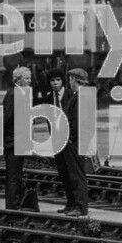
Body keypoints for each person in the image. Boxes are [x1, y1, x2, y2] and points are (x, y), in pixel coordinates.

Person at [57, 67, 91, 216]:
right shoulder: (80, 95)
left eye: (69, 79)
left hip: (75, 142)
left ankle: (81, 207)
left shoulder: (81, 96)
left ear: (74, 80)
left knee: (77, 175)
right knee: (71, 174)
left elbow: (78, 121)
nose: (68, 82)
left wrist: (71, 138)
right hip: (74, 141)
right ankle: (72, 204)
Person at [43, 68, 74, 213]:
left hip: (70, 140)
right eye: (52, 81)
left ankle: (75, 203)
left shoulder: (70, 95)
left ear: (63, 81)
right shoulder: (50, 97)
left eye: (58, 80)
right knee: (62, 172)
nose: (55, 83)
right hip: (57, 141)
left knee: (72, 172)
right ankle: (69, 203)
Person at [2, 65, 32, 210]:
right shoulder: (14, 94)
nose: (29, 81)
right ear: (18, 80)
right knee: (13, 175)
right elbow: (8, 118)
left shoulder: (19, 93)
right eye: (27, 78)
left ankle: (15, 203)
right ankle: (12, 206)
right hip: (13, 141)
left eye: (30, 78)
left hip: (18, 140)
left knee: (17, 175)